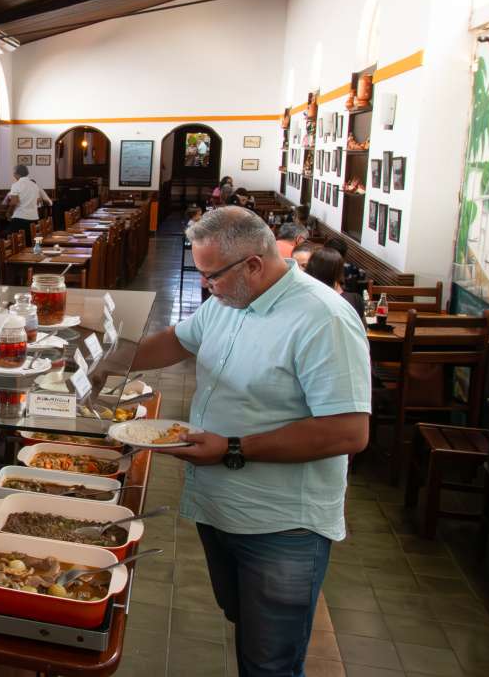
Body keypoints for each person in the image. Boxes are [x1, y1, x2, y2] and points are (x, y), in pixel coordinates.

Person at [130, 207, 370, 677]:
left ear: (253, 265)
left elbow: (349, 431)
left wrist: (234, 447)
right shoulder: (231, 300)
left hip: (280, 526)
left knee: (270, 662)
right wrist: (100, 362)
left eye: (210, 275)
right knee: (248, 628)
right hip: (221, 509)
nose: (204, 285)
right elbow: (176, 341)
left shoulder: (322, 318)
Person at [306, 247, 365, 318]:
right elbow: (362, 327)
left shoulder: (306, 299)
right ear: (339, 271)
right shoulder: (355, 299)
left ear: (311, 269)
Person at [4, 164, 51, 247]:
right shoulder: (35, 185)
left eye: (14, 173)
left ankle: (15, 259)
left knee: (15, 244)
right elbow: (37, 201)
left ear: (17, 174)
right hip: (34, 218)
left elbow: (14, 202)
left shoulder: (16, 185)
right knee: (30, 244)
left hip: (20, 218)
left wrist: (8, 213)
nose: (13, 175)